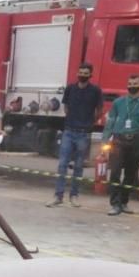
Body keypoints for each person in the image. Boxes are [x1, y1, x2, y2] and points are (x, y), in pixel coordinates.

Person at [47, 63, 103, 208]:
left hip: (83, 133)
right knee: (62, 164)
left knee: (78, 166)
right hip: (69, 131)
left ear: (91, 75)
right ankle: (58, 196)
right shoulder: (70, 89)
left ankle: (74, 196)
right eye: (81, 72)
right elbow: (66, 107)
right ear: (77, 73)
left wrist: (89, 123)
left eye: (86, 73)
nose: (83, 75)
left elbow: (99, 110)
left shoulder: (95, 91)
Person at [102, 74, 139, 215]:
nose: (132, 85)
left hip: (137, 142)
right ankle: (114, 204)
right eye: (130, 83)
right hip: (119, 140)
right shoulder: (118, 102)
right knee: (115, 171)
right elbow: (110, 121)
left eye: (135, 83)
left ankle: (124, 202)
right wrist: (105, 140)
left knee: (131, 174)